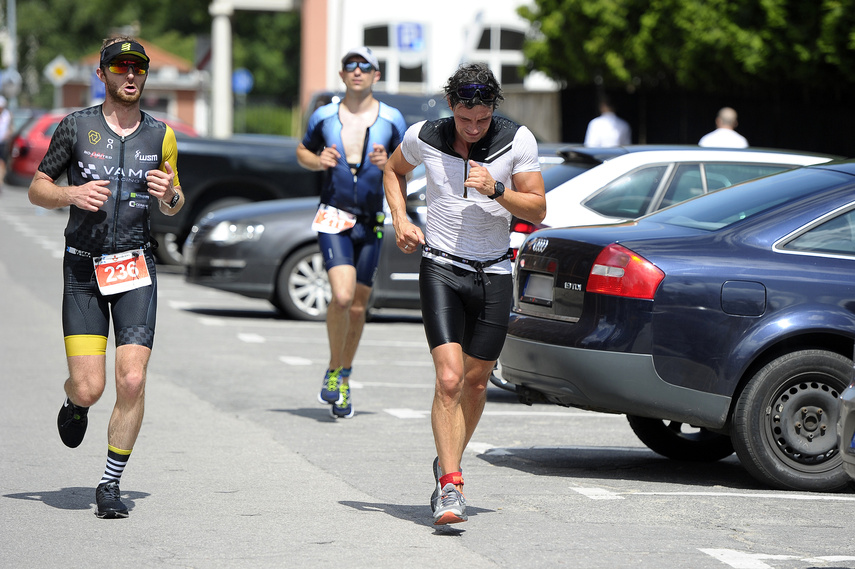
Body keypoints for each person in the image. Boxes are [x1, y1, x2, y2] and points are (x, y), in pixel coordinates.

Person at [28, 37, 184, 519]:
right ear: (104, 74)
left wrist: (169, 195)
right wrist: (71, 196)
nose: (131, 75)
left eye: (139, 67)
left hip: (135, 266)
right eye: (121, 67)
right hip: (83, 267)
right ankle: (75, 403)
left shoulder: (161, 135)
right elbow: (37, 188)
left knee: (132, 379)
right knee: (91, 387)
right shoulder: (75, 127)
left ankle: (110, 484)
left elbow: (177, 202)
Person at [383, 63, 546, 525]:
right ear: (451, 106)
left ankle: (445, 459)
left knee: (476, 382)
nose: (473, 128)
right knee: (450, 378)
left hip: (494, 272)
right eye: (464, 119)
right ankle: (451, 484)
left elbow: (536, 208)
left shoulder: (517, 140)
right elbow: (393, 173)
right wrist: (400, 219)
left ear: (493, 108)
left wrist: (496, 189)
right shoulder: (425, 135)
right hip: (441, 266)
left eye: (482, 119)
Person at [297, 47, 406, 419]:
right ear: (342, 75)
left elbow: (408, 165)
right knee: (341, 297)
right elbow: (302, 152)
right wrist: (318, 160)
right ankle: (333, 367)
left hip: (372, 218)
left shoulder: (392, 118)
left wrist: (387, 163)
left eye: (365, 66)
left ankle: (344, 373)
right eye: (350, 66)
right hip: (334, 215)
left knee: (359, 305)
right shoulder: (324, 115)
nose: (357, 71)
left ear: (376, 75)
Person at [0, 95, 12, 185]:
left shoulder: (7, 115)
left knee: (2, 163)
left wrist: (8, 134)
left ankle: (0, 181)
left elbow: (11, 128)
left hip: (3, 142)